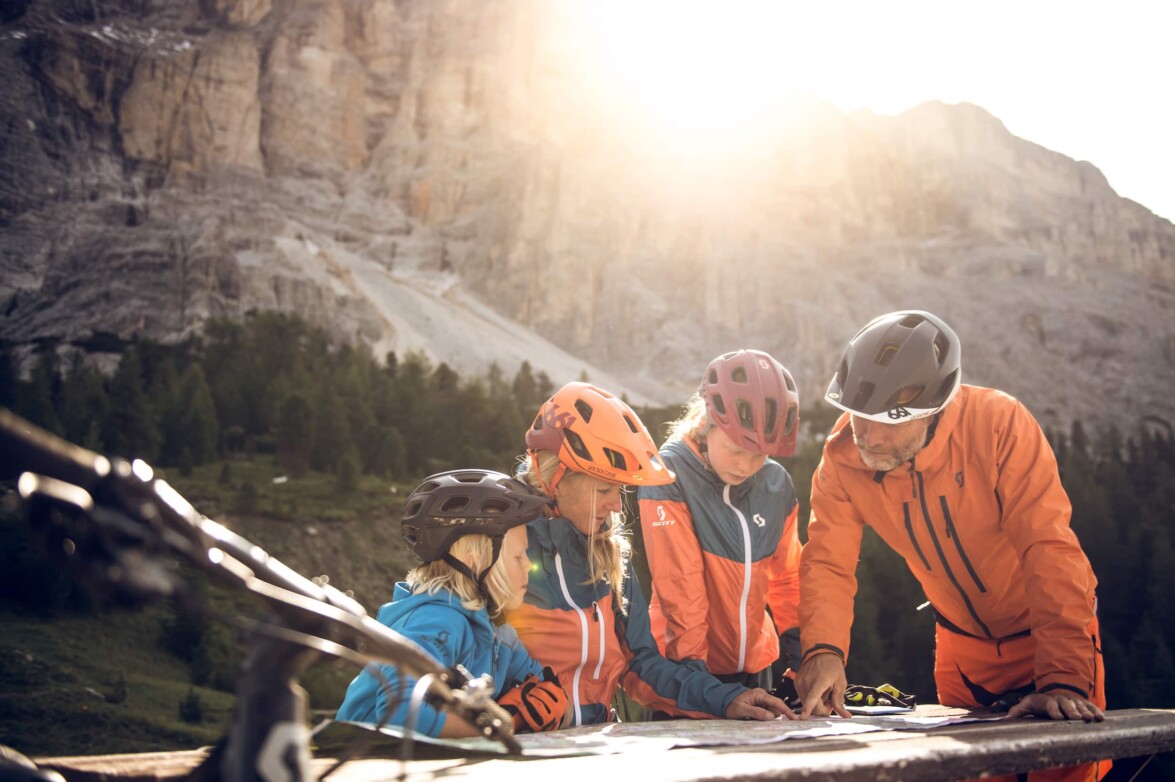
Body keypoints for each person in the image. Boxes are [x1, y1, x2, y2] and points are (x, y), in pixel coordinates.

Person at [796, 310, 1109, 782]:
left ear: (934, 408)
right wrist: (823, 653)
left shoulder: (999, 424)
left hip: (1050, 639)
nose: (870, 437)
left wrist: (1063, 675)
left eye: (890, 422)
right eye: (861, 417)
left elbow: (1048, 548)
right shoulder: (841, 457)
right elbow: (827, 563)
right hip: (962, 653)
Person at [506, 381, 794, 725]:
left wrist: (726, 699)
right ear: (557, 480)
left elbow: (641, 666)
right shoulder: (502, 546)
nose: (616, 505)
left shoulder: (608, 554)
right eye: (605, 489)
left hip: (594, 748)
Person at [336, 469, 569, 737]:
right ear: (473, 560)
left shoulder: (501, 633)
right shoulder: (436, 620)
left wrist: (553, 707)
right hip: (360, 762)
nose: (529, 565)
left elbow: (546, 689)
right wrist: (504, 723)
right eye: (518, 557)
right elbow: (401, 713)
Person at [637, 350, 803, 698]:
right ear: (707, 422)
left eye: (759, 454)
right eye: (736, 449)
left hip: (756, 669)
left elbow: (787, 576)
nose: (745, 466)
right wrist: (697, 684)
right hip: (684, 669)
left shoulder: (776, 484)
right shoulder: (668, 474)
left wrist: (804, 657)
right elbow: (681, 589)